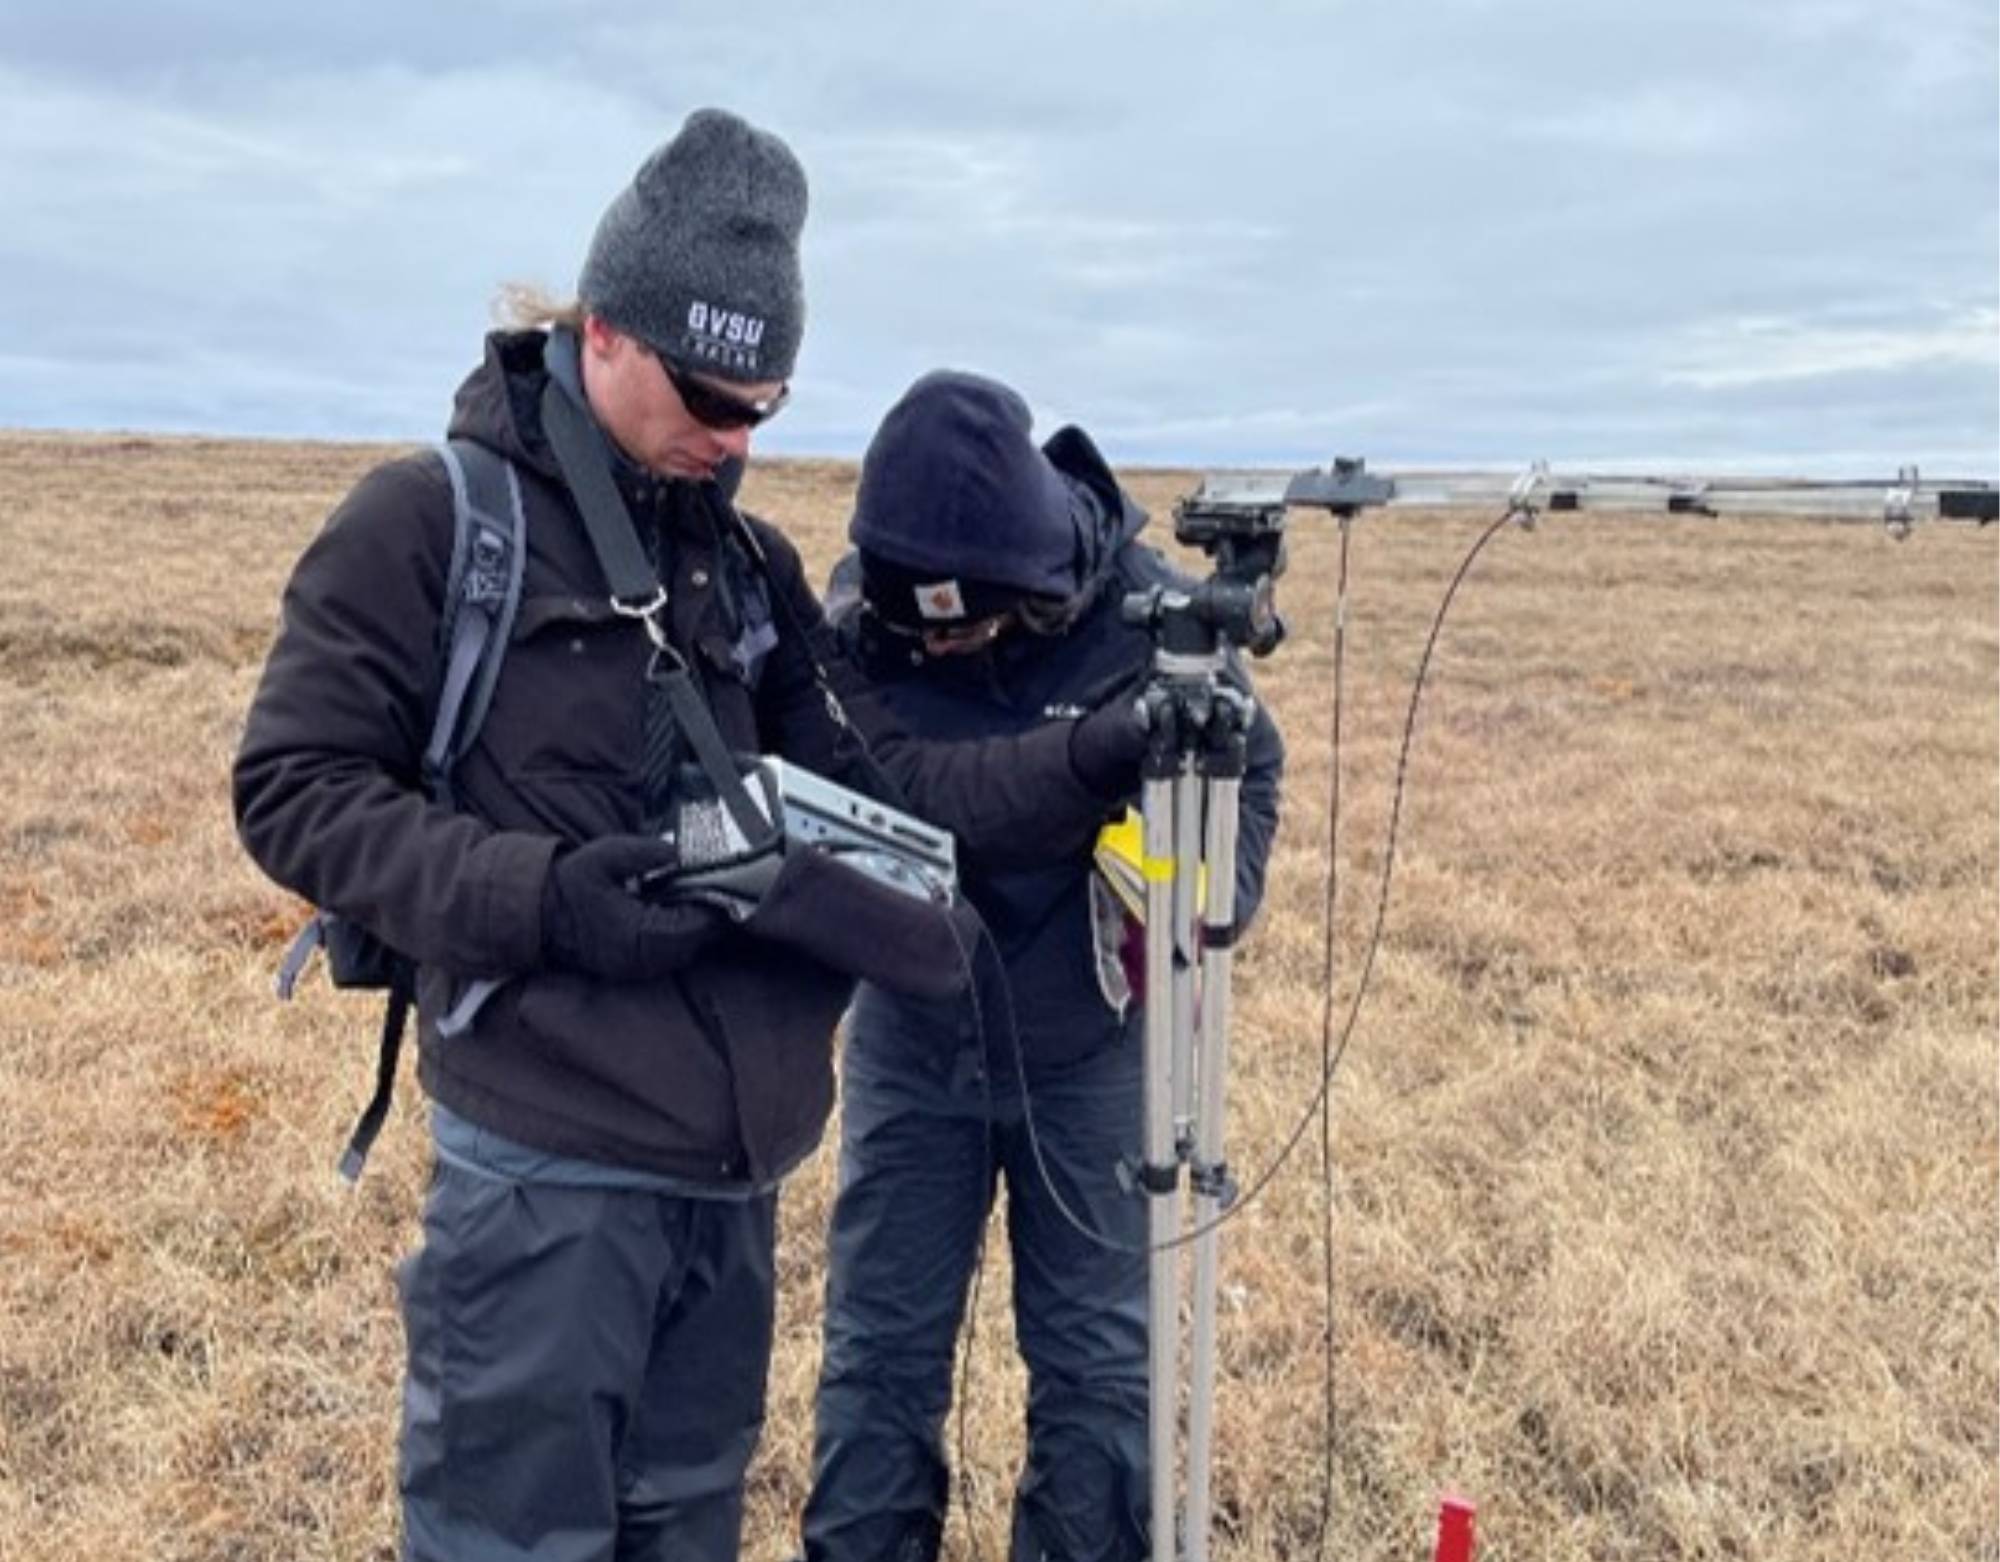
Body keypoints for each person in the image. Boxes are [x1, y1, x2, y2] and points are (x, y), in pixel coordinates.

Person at [233, 114, 1151, 1562]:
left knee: (684, 1531)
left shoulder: (747, 565)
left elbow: (895, 790)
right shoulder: (431, 523)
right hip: (546, 1177)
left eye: (763, 411)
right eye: (711, 399)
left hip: (732, 1186)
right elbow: (292, 786)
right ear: (603, 328)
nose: (734, 442)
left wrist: (1093, 755)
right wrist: (545, 897)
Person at [796, 370, 1285, 1562]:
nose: (938, 643)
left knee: (1097, 1362)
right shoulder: (862, 615)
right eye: (923, 626)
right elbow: (898, 785)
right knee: (878, 1350)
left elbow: (1251, 760)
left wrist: (1198, 908)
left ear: (1032, 581)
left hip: (1092, 1044)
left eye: (965, 625)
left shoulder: (1146, 619)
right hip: (914, 1030)